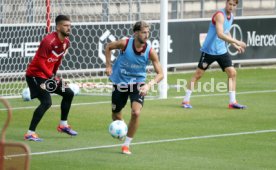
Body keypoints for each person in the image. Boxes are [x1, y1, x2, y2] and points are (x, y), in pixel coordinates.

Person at [105, 21, 164, 154]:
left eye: (148, 32)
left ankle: (126, 145)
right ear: (136, 33)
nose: (147, 35)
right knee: (115, 114)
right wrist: (108, 65)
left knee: (136, 113)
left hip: (138, 84)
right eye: (144, 32)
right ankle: (122, 127)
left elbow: (161, 74)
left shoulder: (150, 51)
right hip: (120, 83)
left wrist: (148, 85)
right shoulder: (124, 43)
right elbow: (108, 47)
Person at [182, 0, 247, 109]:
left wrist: (234, 45)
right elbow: (220, 34)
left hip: (222, 51)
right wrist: (237, 41)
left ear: (236, 6)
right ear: (226, 3)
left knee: (232, 73)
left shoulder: (231, 17)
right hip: (209, 51)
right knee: (198, 75)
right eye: (229, 4)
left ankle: (232, 102)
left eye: (233, 5)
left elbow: (226, 31)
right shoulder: (219, 15)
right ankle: (185, 100)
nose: (231, 6)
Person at [24, 15, 77, 142]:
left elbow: (57, 61)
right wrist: (52, 77)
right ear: (58, 27)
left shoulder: (66, 43)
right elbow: (40, 63)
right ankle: (30, 133)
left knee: (69, 93)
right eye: (66, 26)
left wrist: (55, 76)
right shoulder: (48, 41)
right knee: (46, 102)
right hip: (35, 76)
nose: (69, 28)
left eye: (70, 26)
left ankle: (63, 125)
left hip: (47, 75)